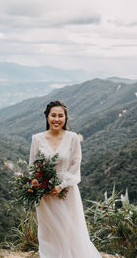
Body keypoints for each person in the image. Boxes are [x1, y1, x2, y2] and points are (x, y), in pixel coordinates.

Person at [29, 100, 101, 258]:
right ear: (47, 117)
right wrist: (36, 182)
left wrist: (62, 186)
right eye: (53, 115)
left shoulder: (72, 137)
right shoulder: (37, 139)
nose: (56, 119)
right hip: (45, 195)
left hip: (67, 192)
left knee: (71, 230)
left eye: (60, 116)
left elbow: (76, 164)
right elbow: (33, 166)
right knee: (49, 232)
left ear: (65, 118)